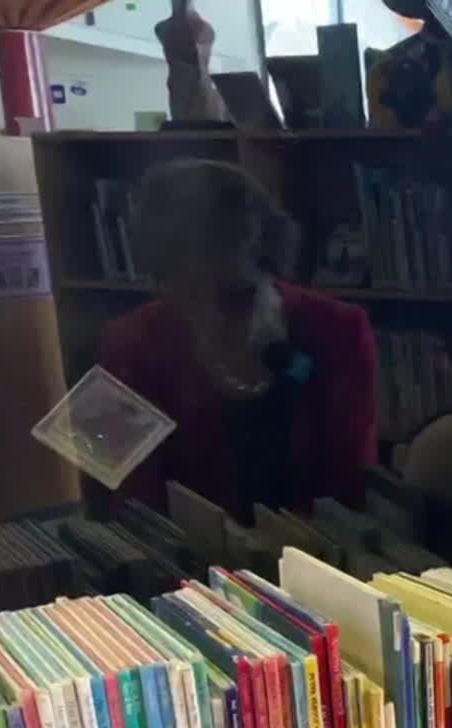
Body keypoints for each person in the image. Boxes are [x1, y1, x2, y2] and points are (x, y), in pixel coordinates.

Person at [97, 158, 377, 520]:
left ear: (262, 240)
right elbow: (133, 499)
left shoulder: (338, 328)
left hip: (319, 542)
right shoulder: (128, 343)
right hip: (184, 548)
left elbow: (351, 481)